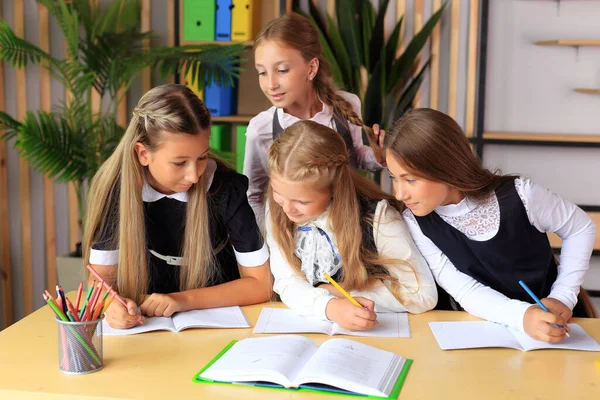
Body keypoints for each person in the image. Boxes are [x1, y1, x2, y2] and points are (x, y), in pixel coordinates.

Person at [385, 108, 596, 342]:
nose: (399, 193)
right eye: (394, 178)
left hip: (559, 323)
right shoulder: (416, 223)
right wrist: (522, 317)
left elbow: (580, 227)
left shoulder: (521, 195)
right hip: (487, 333)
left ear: (446, 166)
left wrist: (564, 296)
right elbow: (464, 289)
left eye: (410, 179)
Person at [82, 84, 272, 329]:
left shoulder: (226, 189)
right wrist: (111, 306)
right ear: (143, 154)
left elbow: (261, 283)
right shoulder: (116, 192)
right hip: (147, 329)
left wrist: (181, 300)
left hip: (220, 325)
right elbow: (100, 282)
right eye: (180, 162)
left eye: (202, 157)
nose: (194, 175)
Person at [265, 120, 437, 331]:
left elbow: (423, 295)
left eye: (302, 202)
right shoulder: (277, 208)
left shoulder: (378, 217)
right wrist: (330, 307)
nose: (288, 209)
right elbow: (286, 281)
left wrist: (346, 295)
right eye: (278, 194)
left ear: (334, 189)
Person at [244, 13, 386, 228]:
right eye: (262, 73)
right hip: (294, 238)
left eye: (282, 70)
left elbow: (356, 157)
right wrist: (272, 245)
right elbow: (254, 195)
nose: (270, 84)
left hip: (349, 227)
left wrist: (380, 154)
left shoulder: (346, 105)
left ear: (311, 68)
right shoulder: (260, 128)